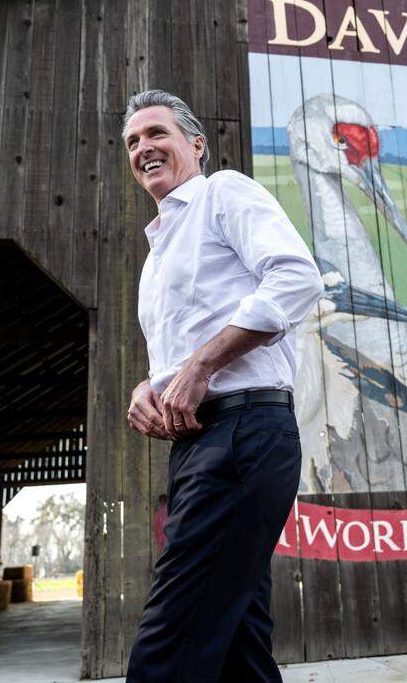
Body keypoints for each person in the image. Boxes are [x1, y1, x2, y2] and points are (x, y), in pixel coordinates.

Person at [121, 89, 323, 682]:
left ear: (197, 145)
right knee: (237, 640)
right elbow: (183, 354)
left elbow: (296, 278)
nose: (143, 148)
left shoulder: (222, 193)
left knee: (170, 640)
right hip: (196, 445)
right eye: (133, 142)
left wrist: (199, 369)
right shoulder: (156, 253)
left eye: (157, 133)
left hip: (243, 435)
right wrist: (149, 387)